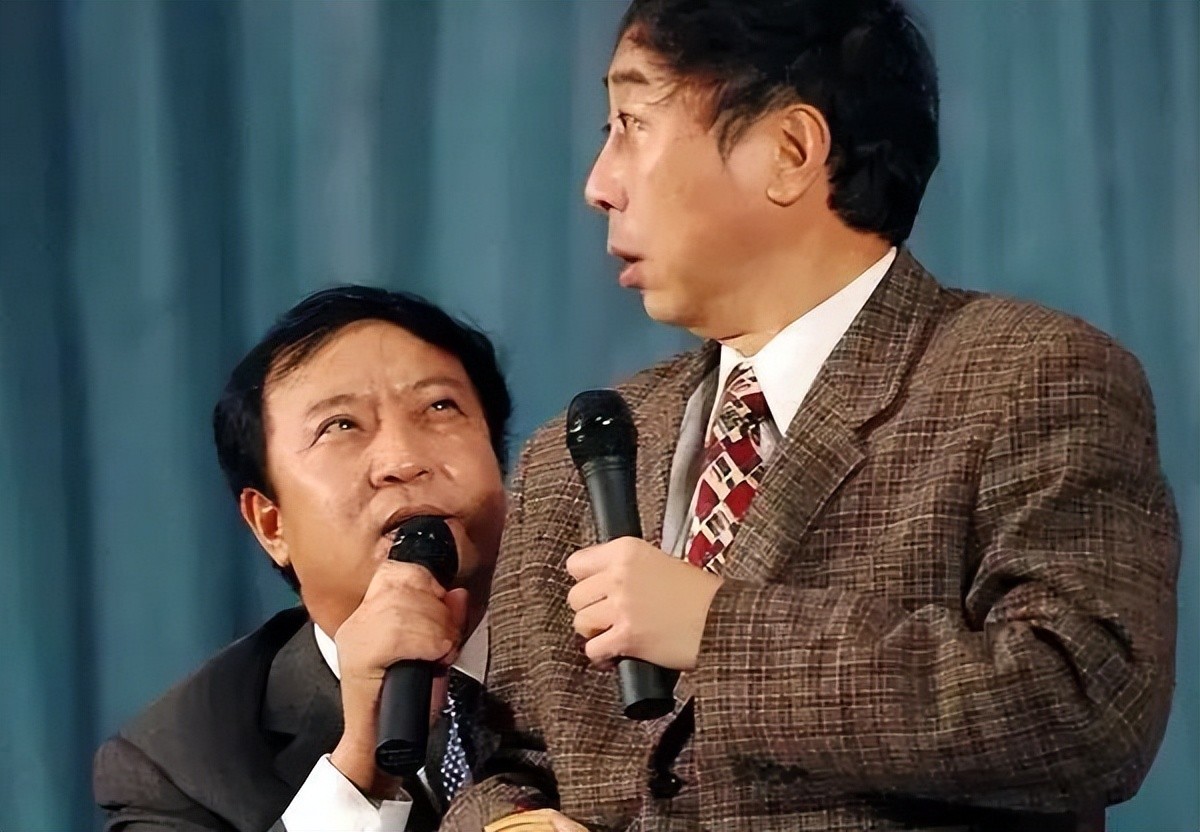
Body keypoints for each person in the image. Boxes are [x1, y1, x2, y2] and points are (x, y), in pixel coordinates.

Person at [443, 1, 1180, 830]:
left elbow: (1084, 707)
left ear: (790, 151)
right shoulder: (575, 451)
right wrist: (502, 821)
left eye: (633, 124)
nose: (598, 184)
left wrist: (717, 629)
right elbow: (506, 761)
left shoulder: (1029, 376)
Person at [93, 285, 512, 832]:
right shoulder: (184, 763)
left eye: (439, 407)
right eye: (340, 426)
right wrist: (361, 771)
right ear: (272, 524)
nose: (403, 460)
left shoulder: (605, 632)